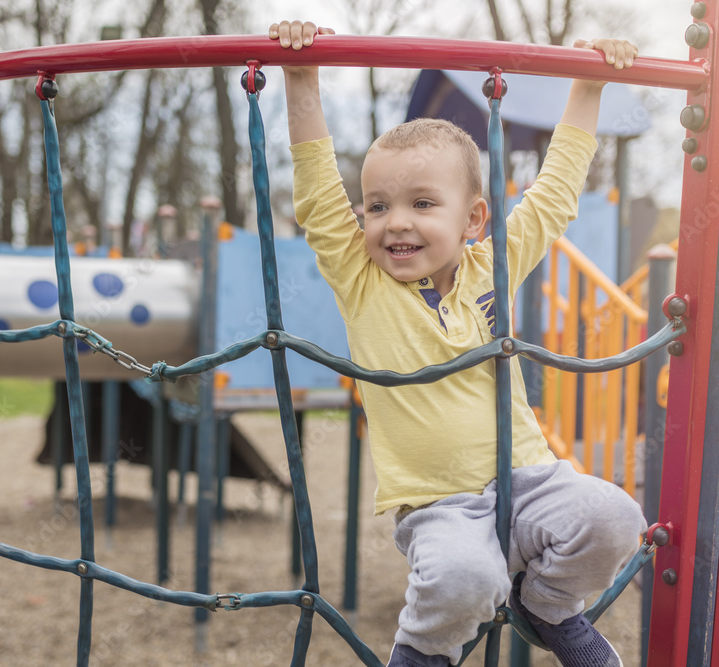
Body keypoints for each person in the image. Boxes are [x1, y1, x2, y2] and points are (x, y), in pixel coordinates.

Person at [270, 20, 646, 667]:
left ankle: (548, 605)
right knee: (464, 581)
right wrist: (301, 75)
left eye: (421, 202)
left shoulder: (491, 266)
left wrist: (589, 84)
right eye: (378, 206)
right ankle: (424, 654)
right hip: (439, 504)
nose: (397, 223)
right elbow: (316, 192)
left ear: (472, 219)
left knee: (616, 518)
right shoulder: (361, 280)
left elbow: (553, 196)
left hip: (529, 478)